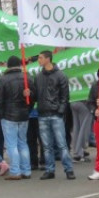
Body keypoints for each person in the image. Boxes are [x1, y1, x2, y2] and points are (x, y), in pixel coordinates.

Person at [32, 51, 76, 180]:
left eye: (40, 58)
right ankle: (50, 170)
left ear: (48, 59)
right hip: (42, 114)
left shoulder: (60, 75)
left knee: (61, 144)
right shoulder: (38, 76)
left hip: (55, 114)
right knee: (46, 145)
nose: (38, 60)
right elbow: (36, 95)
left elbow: (65, 95)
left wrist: (60, 111)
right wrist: (29, 94)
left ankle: (69, 169)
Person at [0, 56, 33, 180]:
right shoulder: (27, 78)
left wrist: (0, 114)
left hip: (8, 116)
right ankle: (26, 170)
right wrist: (28, 110)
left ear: (8, 65)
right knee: (23, 143)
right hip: (24, 115)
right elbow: (33, 97)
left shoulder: (3, 80)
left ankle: (15, 171)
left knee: (12, 144)